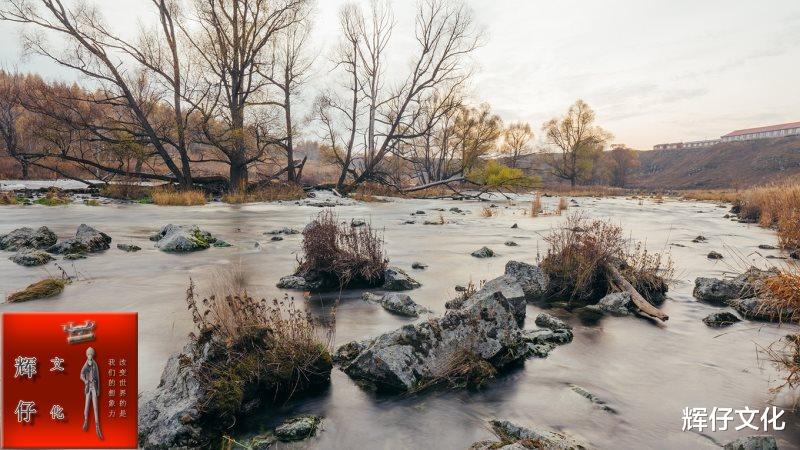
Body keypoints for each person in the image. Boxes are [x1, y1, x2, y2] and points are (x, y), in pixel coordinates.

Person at [80, 347, 103, 440]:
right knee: (86, 406)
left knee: (95, 407)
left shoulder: (95, 364)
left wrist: (98, 390)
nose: (90, 356)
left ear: (92, 355)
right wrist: (85, 380)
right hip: (88, 387)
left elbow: (97, 377)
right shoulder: (85, 365)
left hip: (94, 387)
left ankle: (97, 426)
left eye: (91, 354)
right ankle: (85, 420)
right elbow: (81, 374)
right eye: (88, 354)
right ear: (87, 355)